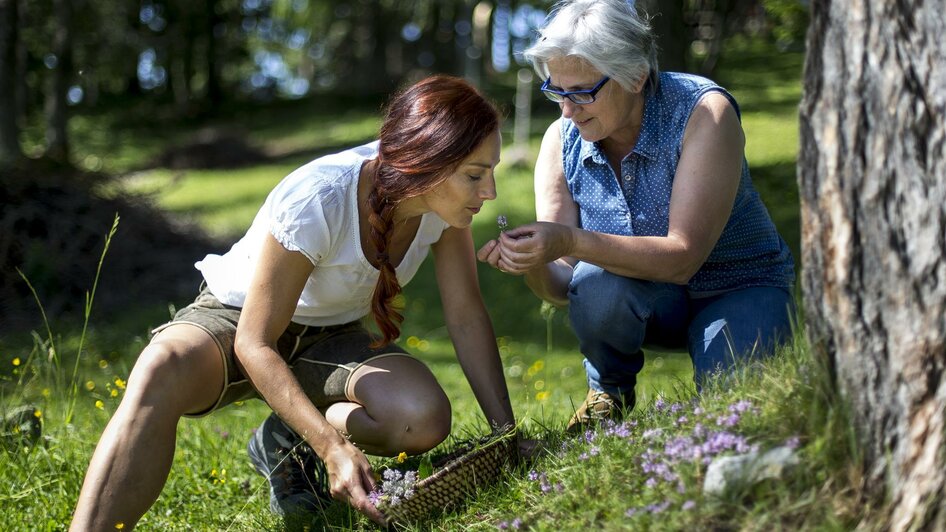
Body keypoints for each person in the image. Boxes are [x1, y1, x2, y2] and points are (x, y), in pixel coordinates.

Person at [71, 75, 527, 530]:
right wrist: (332, 447)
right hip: (241, 316)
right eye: (475, 174)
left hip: (334, 335)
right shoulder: (319, 196)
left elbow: (466, 316)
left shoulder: (443, 210)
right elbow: (254, 341)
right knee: (160, 367)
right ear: (425, 163)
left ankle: (286, 437)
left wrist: (507, 436)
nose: (489, 192)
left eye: (491, 172)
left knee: (420, 417)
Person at [477, 0, 795, 432]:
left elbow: (684, 257)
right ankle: (608, 392)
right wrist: (532, 262)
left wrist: (569, 241)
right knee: (594, 284)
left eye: (583, 92)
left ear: (635, 75)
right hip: (647, 299)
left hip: (740, 285)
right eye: (556, 91)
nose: (567, 111)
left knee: (737, 411)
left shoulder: (704, 113)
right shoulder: (562, 139)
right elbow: (563, 286)